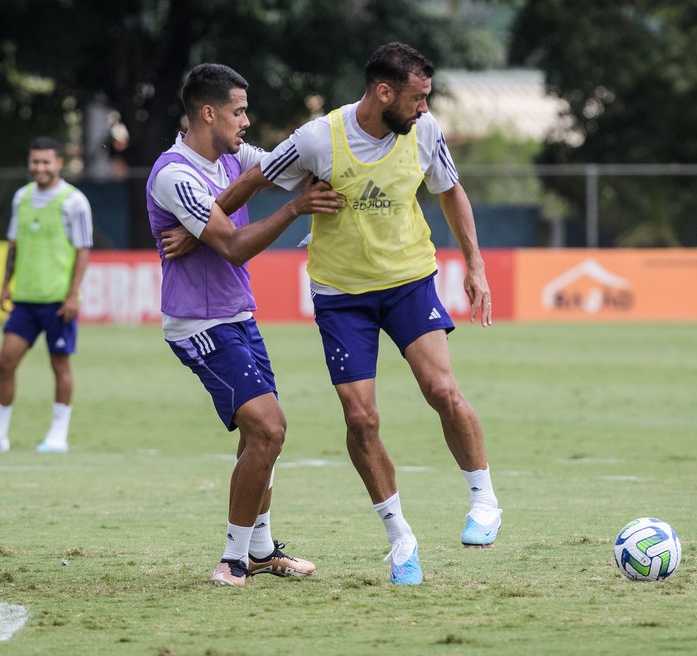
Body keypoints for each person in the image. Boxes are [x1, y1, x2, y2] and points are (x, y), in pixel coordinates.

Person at [201, 42, 503, 585]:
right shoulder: (320, 138)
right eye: (417, 97)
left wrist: (475, 264)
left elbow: (451, 192)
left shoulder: (426, 133)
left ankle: (484, 499)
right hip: (341, 295)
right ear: (383, 92)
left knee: (440, 389)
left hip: (410, 279)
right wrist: (202, 222)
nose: (424, 109)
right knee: (360, 417)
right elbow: (256, 179)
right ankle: (400, 538)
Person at [147, 63, 344, 587]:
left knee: (263, 435)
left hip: (238, 317)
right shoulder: (174, 174)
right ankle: (233, 559)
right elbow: (233, 246)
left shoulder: (238, 158)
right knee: (269, 426)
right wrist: (296, 207)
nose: (246, 121)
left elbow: (291, 164)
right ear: (208, 113)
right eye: (238, 111)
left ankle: (259, 547)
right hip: (198, 324)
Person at [0, 137, 93, 454]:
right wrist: (6, 283)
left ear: (59, 163)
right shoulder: (21, 198)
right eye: (35, 162)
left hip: (59, 301)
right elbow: (14, 243)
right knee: (4, 361)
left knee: (59, 365)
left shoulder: (74, 201)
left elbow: (83, 250)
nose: (40, 167)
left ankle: (58, 435)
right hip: (26, 299)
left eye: (46, 162)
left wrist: (73, 294)